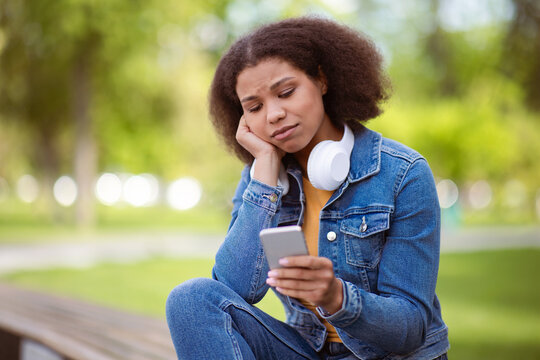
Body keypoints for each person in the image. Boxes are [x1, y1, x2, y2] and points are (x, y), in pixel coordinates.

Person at [166, 16, 449, 360]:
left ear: (322, 80)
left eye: (286, 92)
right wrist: (264, 178)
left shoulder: (402, 174)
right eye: (254, 107)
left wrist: (336, 297)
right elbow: (233, 291)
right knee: (190, 299)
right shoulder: (261, 178)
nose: (273, 115)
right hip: (309, 350)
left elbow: (409, 329)